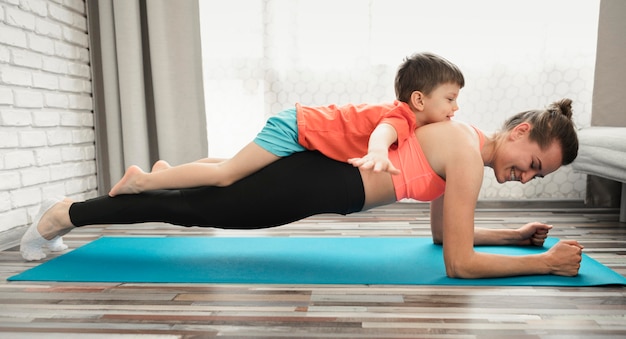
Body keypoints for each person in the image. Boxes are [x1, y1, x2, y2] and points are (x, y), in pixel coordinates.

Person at [20, 98, 583, 280]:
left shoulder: (459, 141)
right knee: (196, 210)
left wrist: (514, 236)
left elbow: (442, 238)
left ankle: (152, 176)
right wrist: (548, 264)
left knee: (209, 193)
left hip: (317, 176)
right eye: (532, 162)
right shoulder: (462, 152)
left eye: (538, 175)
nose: (526, 176)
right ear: (520, 131)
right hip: (317, 182)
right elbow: (459, 263)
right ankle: (64, 214)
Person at [108, 52, 464, 196]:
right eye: (449, 99)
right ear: (419, 99)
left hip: (300, 127)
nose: (455, 107)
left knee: (233, 164)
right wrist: (376, 153)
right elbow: (382, 132)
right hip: (296, 128)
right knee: (229, 173)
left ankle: (168, 171)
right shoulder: (402, 116)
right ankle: (142, 180)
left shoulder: (409, 118)